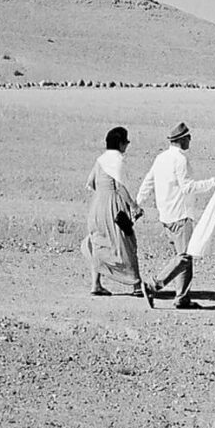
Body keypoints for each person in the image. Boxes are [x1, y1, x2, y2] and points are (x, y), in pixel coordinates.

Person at [137, 122, 215, 309]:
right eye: (189, 137)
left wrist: (138, 202)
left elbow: (148, 182)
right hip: (180, 215)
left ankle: (182, 298)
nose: (190, 140)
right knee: (185, 256)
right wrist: (212, 182)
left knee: (184, 257)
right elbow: (187, 187)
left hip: (166, 215)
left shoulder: (161, 158)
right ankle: (153, 286)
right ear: (182, 139)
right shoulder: (181, 160)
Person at [83, 126, 148, 302]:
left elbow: (91, 183)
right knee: (126, 242)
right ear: (120, 144)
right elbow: (120, 187)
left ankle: (95, 284)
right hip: (114, 208)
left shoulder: (100, 160)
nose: (127, 145)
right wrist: (133, 206)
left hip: (97, 206)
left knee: (99, 243)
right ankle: (135, 284)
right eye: (126, 142)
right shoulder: (117, 160)